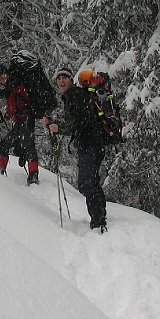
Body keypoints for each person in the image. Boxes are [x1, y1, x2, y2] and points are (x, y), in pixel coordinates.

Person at [45, 67, 108, 232]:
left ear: (71, 80)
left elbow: (79, 122)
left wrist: (59, 128)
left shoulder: (75, 95)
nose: (61, 81)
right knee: (91, 181)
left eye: (65, 77)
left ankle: (98, 222)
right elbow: (77, 119)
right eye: (59, 79)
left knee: (86, 183)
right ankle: (100, 218)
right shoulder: (74, 96)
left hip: (90, 143)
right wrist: (56, 124)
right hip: (92, 143)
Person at [0, 63, 41, 185]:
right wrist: (6, 116)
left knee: (17, 146)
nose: (0, 78)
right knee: (24, 146)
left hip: (26, 120)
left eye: (2, 75)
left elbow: (7, 93)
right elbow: (13, 105)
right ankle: (32, 175)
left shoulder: (15, 83)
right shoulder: (13, 85)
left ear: (7, 74)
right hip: (24, 120)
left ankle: (1, 172)